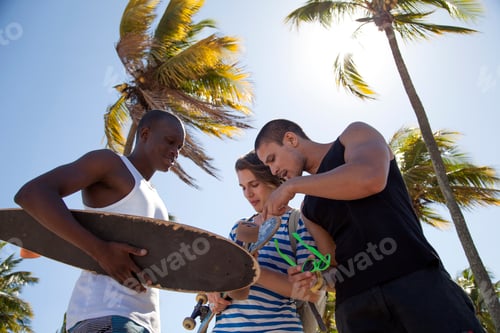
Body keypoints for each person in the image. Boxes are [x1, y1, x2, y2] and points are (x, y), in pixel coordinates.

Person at [254, 119, 485, 333]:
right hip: (355, 309)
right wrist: (315, 280)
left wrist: (292, 186)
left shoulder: (352, 136)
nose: (273, 171)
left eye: (272, 159)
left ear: (291, 139)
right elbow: (335, 269)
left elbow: (369, 179)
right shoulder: (308, 210)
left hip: (416, 281)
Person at [14, 109, 185, 333]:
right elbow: (32, 193)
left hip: (142, 323)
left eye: (179, 148)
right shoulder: (110, 164)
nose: (175, 152)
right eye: (170, 142)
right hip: (105, 315)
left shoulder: (154, 195)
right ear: (144, 134)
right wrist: (100, 251)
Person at [208, 151, 321, 332]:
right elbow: (224, 278)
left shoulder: (298, 222)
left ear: (273, 179)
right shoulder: (239, 229)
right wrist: (214, 294)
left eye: (254, 184)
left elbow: (311, 292)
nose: (248, 193)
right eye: (243, 187)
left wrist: (253, 271)